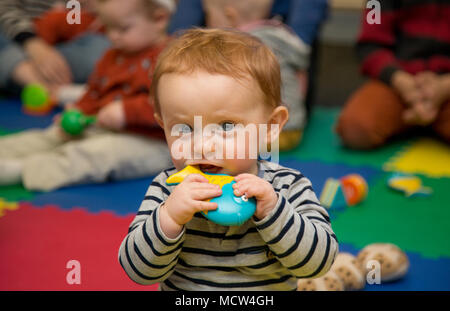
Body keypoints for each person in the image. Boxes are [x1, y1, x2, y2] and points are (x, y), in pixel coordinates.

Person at [118, 29, 338, 291]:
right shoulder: (168, 188)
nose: (202, 146)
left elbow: (318, 264)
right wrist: (169, 219)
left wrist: (273, 210)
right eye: (184, 129)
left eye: (226, 126)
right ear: (163, 126)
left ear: (270, 126)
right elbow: (138, 272)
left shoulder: (288, 187)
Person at [0, 0, 176, 191]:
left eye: (122, 29)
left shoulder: (173, 60)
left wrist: (126, 111)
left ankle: (21, 171)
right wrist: (79, 110)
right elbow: (94, 92)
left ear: (159, 19)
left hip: (153, 142)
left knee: (95, 154)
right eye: (108, 27)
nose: (112, 36)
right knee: (53, 135)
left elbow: (175, 106)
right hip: (103, 126)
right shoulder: (113, 55)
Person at [336, 0, 450, 149]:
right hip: (397, 81)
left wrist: (444, 87)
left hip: (447, 85)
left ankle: (419, 118)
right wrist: (401, 81)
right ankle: (416, 118)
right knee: (355, 129)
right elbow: (369, 45)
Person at [201, 0, 310, 151]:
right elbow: (301, 78)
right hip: (294, 127)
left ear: (230, 16)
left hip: (270, 134)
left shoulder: (242, 45)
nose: (207, 22)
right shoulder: (281, 35)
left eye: (208, 15)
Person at [0, 0, 110, 95]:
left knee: (103, 50)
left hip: (60, 55)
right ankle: (48, 87)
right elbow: (4, 10)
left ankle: (29, 81)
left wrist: (103, 10)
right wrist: (33, 44)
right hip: (14, 43)